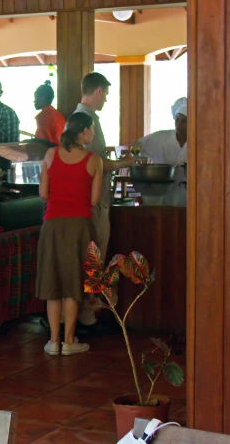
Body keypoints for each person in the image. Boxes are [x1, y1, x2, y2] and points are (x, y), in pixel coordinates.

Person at [37, 112, 103, 355]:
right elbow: (94, 200)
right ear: (84, 131)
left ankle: (53, 341)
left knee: (53, 282)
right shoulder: (94, 160)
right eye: (92, 129)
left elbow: (43, 194)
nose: (93, 133)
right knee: (74, 282)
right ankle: (69, 340)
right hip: (80, 225)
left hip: (52, 224)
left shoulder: (50, 154)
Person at [73, 72, 134, 331]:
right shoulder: (85, 121)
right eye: (106, 94)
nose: (106, 100)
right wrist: (126, 163)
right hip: (93, 202)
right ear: (98, 91)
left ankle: (88, 312)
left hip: (93, 200)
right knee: (93, 258)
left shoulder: (83, 119)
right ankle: (87, 315)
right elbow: (92, 162)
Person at [131, 97, 188, 206]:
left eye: (184, 121)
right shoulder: (162, 138)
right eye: (177, 119)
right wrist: (135, 151)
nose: (179, 124)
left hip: (189, 198)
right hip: (164, 196)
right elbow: (138, 146)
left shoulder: (199, 143)